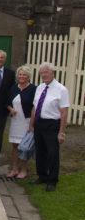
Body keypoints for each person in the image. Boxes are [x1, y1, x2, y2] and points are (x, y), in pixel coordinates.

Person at [29, 62, 69, 192]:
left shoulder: (61, 89)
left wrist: (61, 132)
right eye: (42, 73)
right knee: (40, 151)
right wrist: (32, 124)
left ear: (52, 73)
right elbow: (35, 107)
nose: (44, 75)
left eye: (46, 72)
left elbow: (64, 112)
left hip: (52, 124)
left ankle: (52, 180)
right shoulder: (40, 87)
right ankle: (42, 176)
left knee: (52, 153)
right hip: (39, 123)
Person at [6, 66, 36, 179]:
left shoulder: (33, 89)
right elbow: (8, 102)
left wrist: (32, 124)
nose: (22, 76)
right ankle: (14, 169)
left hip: (26, 121)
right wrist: (10, 109)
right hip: (16, 120)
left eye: (24, 75)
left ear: (28, 76)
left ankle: (23, 170)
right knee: (15, 146)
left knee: (25, 146)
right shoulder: (14, 88)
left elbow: (35, 106)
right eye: (20, 74)